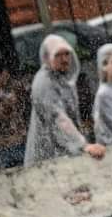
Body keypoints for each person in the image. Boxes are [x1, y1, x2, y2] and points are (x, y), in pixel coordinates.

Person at [24, 34, 105, 166]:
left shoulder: (63, 79)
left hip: (63, 153)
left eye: (67, 54)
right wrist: (82, 145)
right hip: (47, 157)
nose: (64, 59)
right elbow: (57, 118)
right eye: (58, 55)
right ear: (47, 58)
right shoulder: (44, 82)